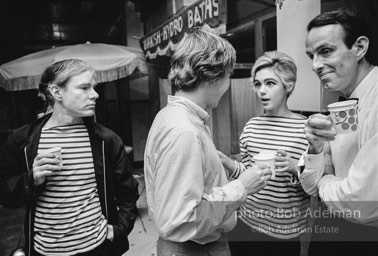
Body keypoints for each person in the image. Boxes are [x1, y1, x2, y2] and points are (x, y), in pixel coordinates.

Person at [144, 27, 272, 256]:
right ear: (212, 74)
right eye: (229, 75)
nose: (228, 84)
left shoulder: (172, 115)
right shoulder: (184, 131)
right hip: (194, 248)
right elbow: (181, 220)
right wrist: (242, 186)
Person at [0, 59, 139, 256]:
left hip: (97, 248)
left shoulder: (105, 140)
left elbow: (128, 192)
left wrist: (118, 229)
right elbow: (5, 194)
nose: (95, 94)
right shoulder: (23, 141)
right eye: (84, 87)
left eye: (94, 87)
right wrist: (31, 179)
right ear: (57, 92)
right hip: (44, 251)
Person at [299, 8, 378, 255]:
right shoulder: (342, 105)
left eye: (325, 51)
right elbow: (307, 184)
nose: (315, 66)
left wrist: (326, 179)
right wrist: (314, 148)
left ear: (360, 48)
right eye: (311, 55)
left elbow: (362, 203)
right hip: (336, 230)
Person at [218, 51, 313, 256]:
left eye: (270, 83)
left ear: (288, 85)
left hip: (283, 233)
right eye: (258, 84)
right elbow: (249, 172)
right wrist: (228, 162)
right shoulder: (251, 126)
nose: (262, 91)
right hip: (245, 224)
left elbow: (313, 185)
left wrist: (295, 168)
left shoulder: (306, 130)